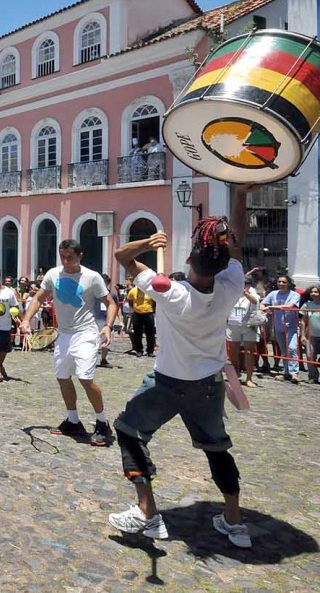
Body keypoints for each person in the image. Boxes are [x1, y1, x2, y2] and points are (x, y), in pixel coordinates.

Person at [109, 193, 253, 549]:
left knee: (127, 430)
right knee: (217, 449)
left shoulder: (169, 291)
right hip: (208, 384)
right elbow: (237, 245)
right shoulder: (231, 285)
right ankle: (235, 523)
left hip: (168, 381)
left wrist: (148, 241)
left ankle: (147, 512)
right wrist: (243, 195)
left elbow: (121, 257)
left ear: (189, 261)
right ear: (221, 265)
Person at [20, 239, 118, 447]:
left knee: (85, 378)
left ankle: (102, 423)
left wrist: (108, 326)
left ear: (80, 256)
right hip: (64, 335)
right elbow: (38, 298)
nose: (65, 261)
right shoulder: (53, 274)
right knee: (63, 377)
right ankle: (73, 421)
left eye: (70, 257)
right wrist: (27, 318)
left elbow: (110, 303)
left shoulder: (92, 277)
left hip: (86, 333)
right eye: (62, 256)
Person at [261, 275, 302, 382]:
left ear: (288, 283)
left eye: (284, 282)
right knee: (283, 350)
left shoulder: (295, 295)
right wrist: (265, 309)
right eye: (279, 282)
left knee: (292, 348)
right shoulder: (273, 294)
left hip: (291, 326)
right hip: (278, 325)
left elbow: (289, 306)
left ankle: (294, 373)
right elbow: (263, 303)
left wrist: (271, 307)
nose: (281, 284)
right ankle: (286, 372)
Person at [226, 276, 263, 388]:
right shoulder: (232, 293)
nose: (244, 285)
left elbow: (255, 301)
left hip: (249, 325)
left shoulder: (253, 293)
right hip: (233, 324)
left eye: (246, 283)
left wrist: (245, 293)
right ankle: (235, 373)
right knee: (233, 352)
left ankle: (249, 378)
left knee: (249, 352)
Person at [127, 282, 156, 357]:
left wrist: (153, 310)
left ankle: (150, 350)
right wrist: (135, 308)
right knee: (137, 333)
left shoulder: (150, 291)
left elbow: (154, 301)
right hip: (137, 314)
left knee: (150, 333)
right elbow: (130, 300)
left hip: (148, 313)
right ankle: (139, 350)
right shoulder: (133, 291)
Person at [300, 285, 320, 384]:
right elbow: (303, 321)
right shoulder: (307, 305)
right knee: (309, 355)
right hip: (311, 335)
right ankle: (313, 376)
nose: (313, 294)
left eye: (316, 292)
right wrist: (303, 335)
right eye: (312, 292)